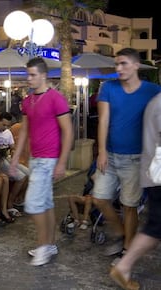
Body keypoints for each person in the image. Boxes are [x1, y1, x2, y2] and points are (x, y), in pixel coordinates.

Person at [91, 48, 161, 264]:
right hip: (110, 155)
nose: (118, 68)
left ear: (136, 65)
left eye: (123, 64)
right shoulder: (108, 88)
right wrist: (102, 151)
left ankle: (128, 246)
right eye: (116, 64)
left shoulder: (153, 90)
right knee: (99, 198)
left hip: (136, 158)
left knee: (129, 205)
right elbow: (103, 120)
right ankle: (123, 233)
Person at [9, 57, 73, 266]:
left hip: (49, 159)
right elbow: (25, 131)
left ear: (43, 75)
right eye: (28, 74)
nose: (29, 78)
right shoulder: (28, 101)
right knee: (45, 204)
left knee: (34, 204)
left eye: (33, 74)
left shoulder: (56, 98)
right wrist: (15, 158)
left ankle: (43, 246)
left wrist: (62, 162)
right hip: (36, 159)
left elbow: (68, 131)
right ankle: (50, 244)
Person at [109, 93, 161, 290]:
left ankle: (124, 266)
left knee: (155, 227)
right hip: (157, 176)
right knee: (155, 228)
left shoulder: (155, 101)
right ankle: (124, 266)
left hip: (152, 174)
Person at [0, 111, 29, 217]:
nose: (5, 127)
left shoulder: (8, 132)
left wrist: (13, 153)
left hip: (5, 158)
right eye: (3, 124)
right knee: (21, 177)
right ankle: (9, 203)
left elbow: (12, 147)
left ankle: (19, 199)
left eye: (7, 125)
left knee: (29, 173)